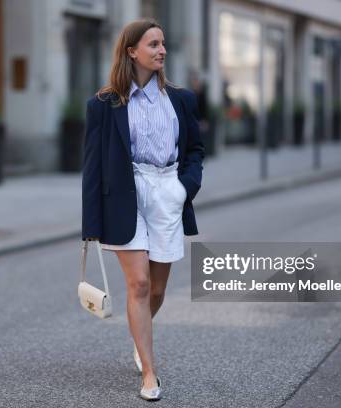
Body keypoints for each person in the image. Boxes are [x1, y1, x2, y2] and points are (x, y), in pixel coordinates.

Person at [81, 19, 204, 401]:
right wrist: (91, 224)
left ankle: (140, 337)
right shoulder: (103, 105)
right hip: (125, 194)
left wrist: (185, 188)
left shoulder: (181, 100)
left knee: (158, 289)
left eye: (163, 43)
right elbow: (93, 166)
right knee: (138, 284)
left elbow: (196, 151)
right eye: (153, 44)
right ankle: (149, 373)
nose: (161, 50)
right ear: (132, 51)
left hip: (168, 190)